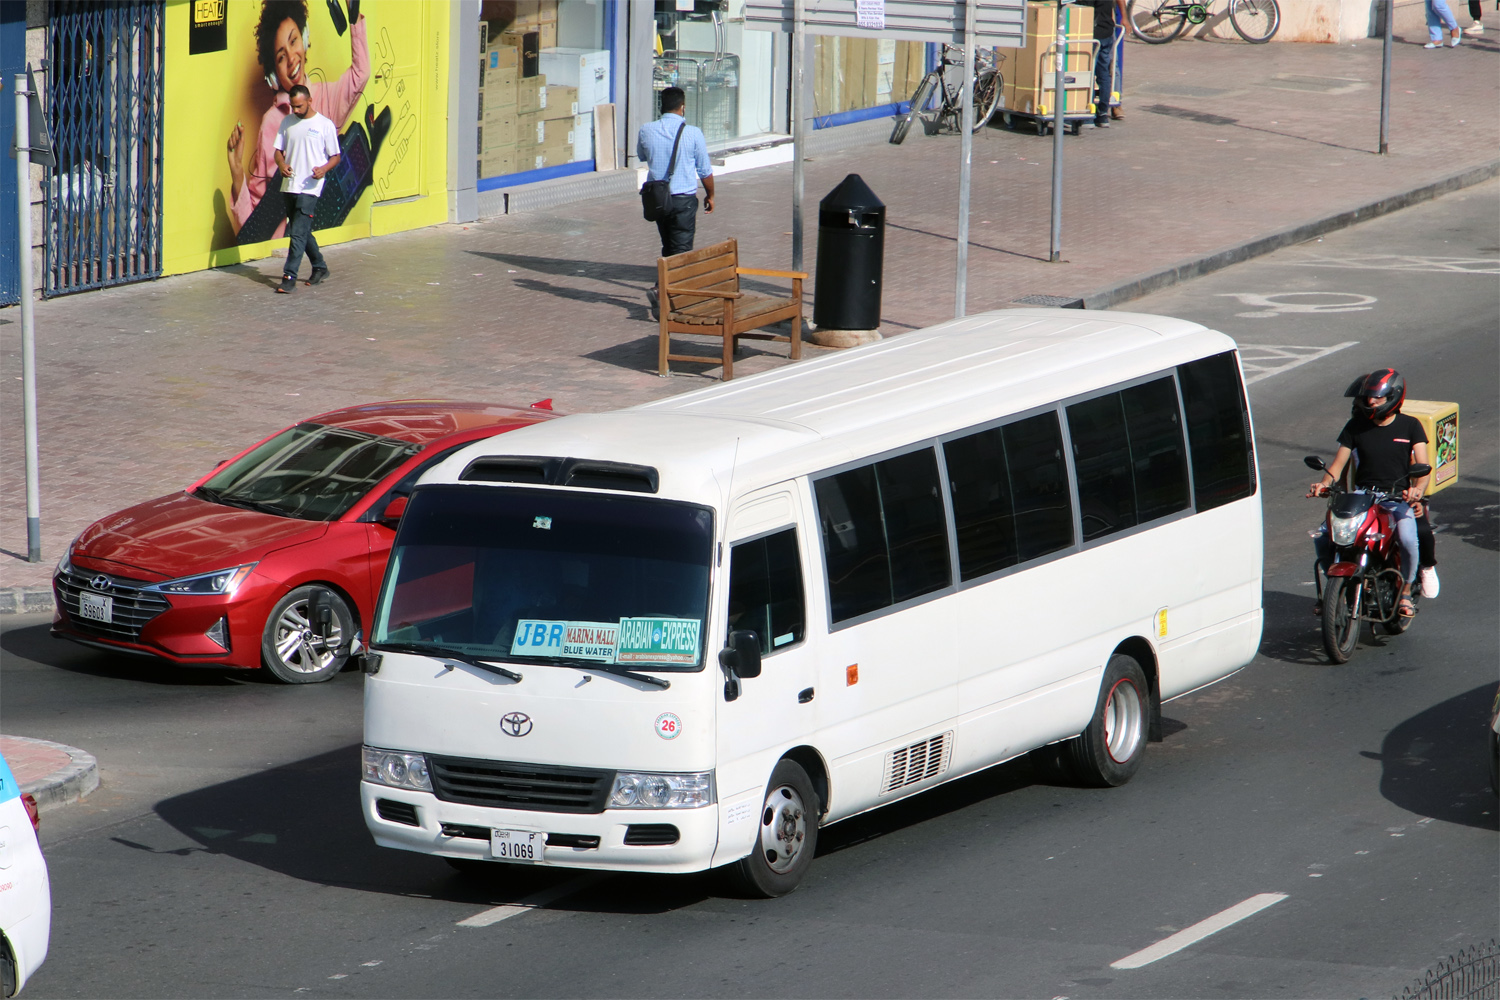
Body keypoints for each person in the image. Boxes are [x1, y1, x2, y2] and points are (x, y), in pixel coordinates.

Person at [227, 0, 368, 239]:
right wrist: (238, 172)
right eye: (281, 57)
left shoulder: (326, 97)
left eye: (293, 41)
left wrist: (353, 20)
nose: (291, 58)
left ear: (304, 38)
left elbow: (360, 74)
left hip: (319, 232)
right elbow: (255, 218)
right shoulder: (271, 123)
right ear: (273, 74)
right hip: (281, 249)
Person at [1306, 369, 1433, 619]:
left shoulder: (1411, 426)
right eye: (1368, 398)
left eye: (1378, 398)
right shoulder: (1355, 427)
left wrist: (1416, 490)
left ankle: (1406, 591)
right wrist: (1323, 484)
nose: (1371, 402)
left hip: (1396, 498)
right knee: (1323, 536)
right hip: (1363, 497)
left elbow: (1423, 467)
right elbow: (1337, 466)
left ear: (1394, 397)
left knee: (1408, 539)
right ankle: (1330, 591)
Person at [636, 87, 715, 315]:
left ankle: (664, 294)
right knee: (681, 250)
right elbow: (705, 170)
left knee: (669, 246)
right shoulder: (693, 133)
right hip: (683, 200)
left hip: (658, 199)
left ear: (661, 106)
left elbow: (643, 156)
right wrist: (711, 194)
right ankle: (665, 294)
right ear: (683, 107)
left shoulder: (646, 130)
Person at [273, 84, 341, 293]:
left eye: (300, 106)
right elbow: (278, 151)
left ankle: (289, 276)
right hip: (290, 185)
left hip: (310, 186)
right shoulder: (287, 122)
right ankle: (320, 267)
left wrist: (323, 170)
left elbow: (335, 156)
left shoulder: (324, 125)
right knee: (301, 230)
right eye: (293, 106)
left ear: (310, 101)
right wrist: (282, 165)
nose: (296, 110)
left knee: (297, 234)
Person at [1082, 0, 1125, 128]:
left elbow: (1084, 10)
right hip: (1107, 32)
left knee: (1089, 73)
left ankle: (1088, 115)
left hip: (1094, 34)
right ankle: (1102, 114)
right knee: (1104, 75)